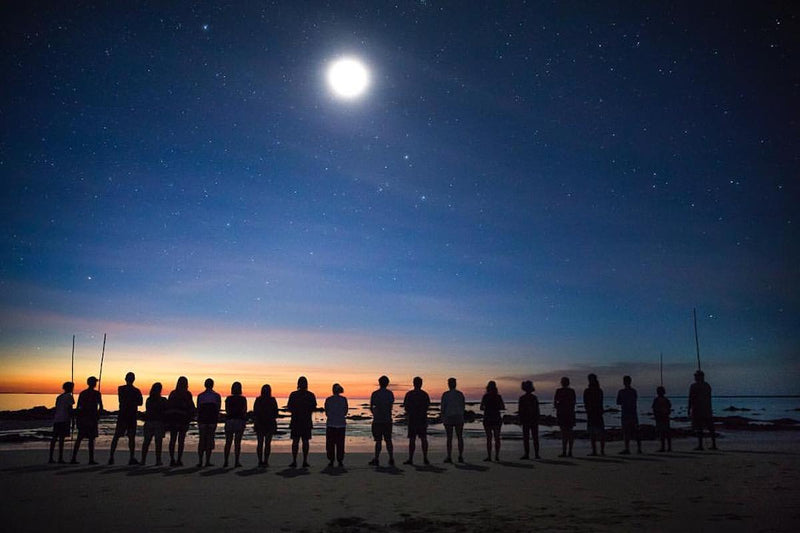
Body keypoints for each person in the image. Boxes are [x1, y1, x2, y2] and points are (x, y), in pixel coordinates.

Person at [108, 372, 143, 465]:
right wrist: (133, 402)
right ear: (133, 379)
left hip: (123, 415)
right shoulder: (136, 390)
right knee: (131, 437)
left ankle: (111, 457)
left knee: (117, 436)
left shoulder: (121, 389)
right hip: (130, 416)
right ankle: (131, 457)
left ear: (125, 379)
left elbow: (122, 400)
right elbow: (140, 402)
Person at [70, 376, 103, 464]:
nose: (96, 383)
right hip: (92, 418)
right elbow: (101, 407)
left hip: (83, 418)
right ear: (93, 383)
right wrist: (98, 415)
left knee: (79, 439)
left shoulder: (83, 393)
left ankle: (73, 458)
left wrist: (76, 418)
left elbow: (78, 407)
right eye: (95, 382)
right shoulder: (97, 394)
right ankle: (91, 460)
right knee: (91, 440)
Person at [287, 376, 317, 468]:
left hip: (296, 421)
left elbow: (289, 407)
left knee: (296, 441)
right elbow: (313, 407)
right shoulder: (310, 395)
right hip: (306, 421)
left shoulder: (293, 394)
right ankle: (304, 461)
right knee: (305, 441)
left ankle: (295, 461)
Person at [165, 376, 194, 467]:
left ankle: (172, 459)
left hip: (174, 419)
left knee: (173, 440)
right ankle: (178, 459)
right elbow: (191, 407)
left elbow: (168, 406)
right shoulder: (187, 394)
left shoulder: (173, 393)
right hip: (183, 420)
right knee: (181, 441)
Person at [403, 376, 431, 465]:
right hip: (422, 419)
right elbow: (427, 406)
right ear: (421, 384)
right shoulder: (424, 394)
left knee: (412, 439)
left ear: (413, 383)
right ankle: (425, 458)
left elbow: (406, 407)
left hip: (413, 419)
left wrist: (411, 412)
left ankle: (411, 459)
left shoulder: (409, 394)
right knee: (423, 439)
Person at [368, 375, 395, 467]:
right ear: (387, 383)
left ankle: (376, 458)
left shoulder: (375, 394)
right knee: (388, 440)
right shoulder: (390, 394)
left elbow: (371, 406)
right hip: (387, 420)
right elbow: (390, 405)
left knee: (378, 440)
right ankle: (391, 458)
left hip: (378, 420)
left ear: (379, 383)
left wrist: (375, 414)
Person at [688, 370, 717, 450]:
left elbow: (690, 398)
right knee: (708, 428)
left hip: (699, 409)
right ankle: (711, 444)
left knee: (702, 428)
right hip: (706, 409)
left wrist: (689, 408)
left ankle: (702, 445)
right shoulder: (707, 385)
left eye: (696, 376)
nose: (695, 377)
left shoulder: (694, 386)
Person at [196, 378, 221, 468]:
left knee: (202, 440)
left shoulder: (200, 395)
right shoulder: (216, 395)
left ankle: (200, 461)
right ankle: (207, 461)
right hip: (211, 420)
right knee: (210, 440)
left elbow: (198, 408)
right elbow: (218, 408)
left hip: (202, 420)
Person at [141, 382, 168, 465]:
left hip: (149, 422)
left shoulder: (149, 400)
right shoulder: (163, 400)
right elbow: (165, 412)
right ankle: (158, 460)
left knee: (146, 442)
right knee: (158, 443)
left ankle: (143, 460)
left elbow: (148, 411)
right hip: (158, 422)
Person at [441, 377, 465, 463]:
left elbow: (443, 407)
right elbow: (463, 406)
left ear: (449, 384)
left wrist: (442, 417)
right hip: (458, 416)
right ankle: (460, 456)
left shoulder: (445, 395)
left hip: (449, 417)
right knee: (459, 437)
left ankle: (449, 456)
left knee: (449, 438)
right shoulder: (460, 394)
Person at [253, 384, 278, 467]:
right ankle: (265, 461)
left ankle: (261, 461)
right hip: (268, 423)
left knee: (261, 443)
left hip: (261, 423)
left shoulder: (258, 400)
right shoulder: (272, 400)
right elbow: (276, 413)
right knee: (267, 443)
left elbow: (255, 412)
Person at [49, 381, 74, 464]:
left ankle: (51, 457)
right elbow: (70, 410)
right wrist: (73, 420)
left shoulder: (59, 396)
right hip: (64, 419)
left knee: (54, 438)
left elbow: (57, 407)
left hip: (57, 419)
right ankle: (60, 458)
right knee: (61, 439)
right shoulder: (69, 396)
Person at [223, 381, 247, 468]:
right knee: (237, 443)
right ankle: (236, 461)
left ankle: (226, 461)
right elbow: (244, 410)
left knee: (228, 442)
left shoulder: (229, 398)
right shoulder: (243, 399)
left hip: (230, 420)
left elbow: (227, 410)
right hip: (239, 421)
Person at [480, 380, 505, 462]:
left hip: (488, 418)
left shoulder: (485, 396)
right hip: (496, 418)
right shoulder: (498, 397)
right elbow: (502, 407)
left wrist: (487, 408)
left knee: (489, 438)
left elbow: (481, 407)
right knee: (497, 438)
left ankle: (489, 456)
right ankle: (496, 456)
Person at [616, 375, 642, 454]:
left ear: (624, 382)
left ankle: (627, 448)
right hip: (633, 414)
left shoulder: (621, 392)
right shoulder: (634, 391)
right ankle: (638, 448)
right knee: (635, 432)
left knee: (626, 432)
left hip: (626, 414)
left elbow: (618, 402)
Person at [324, 383, 348, 467]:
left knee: (330, 444)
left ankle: (331, 460)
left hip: (331, 424)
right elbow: (345, 412)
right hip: (341, 424)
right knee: (340, 444)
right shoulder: (344, 399)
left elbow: (326, 412)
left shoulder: (328, 399)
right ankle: (340, 460)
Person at [583, 374, 605, 456]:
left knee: (597, 433)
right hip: (594, 413)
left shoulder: (596, 390)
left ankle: (599, 451)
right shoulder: (597, 390)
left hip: (595, 413)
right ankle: (596, 451)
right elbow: (586, 402)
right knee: (595, 433)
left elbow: (586, 402)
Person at [553, 376, 576, 458]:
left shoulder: (559, 391)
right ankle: (569, 451)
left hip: (564, 414)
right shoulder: (571, 391)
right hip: (568, 413)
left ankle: (565, 451)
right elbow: (573, 403)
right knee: (569, 433)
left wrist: (559, 406)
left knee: (565, 433)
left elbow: (555, 403)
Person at [518, 380, 540, 460]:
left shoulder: (523, 398)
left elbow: (520, 410)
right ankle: (536, 454)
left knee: (527, 438)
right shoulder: (533, 398)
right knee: (534, 437)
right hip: (532, 419)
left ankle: (528, 454)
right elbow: (537, 410)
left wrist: (520, 419)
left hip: (528, 419)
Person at [652, 386, 672, 452]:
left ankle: (665, 447)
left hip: (662, 417)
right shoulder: (665, 400)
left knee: (664, 433)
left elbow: (654, 409)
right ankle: (667, 447)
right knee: (664, 433)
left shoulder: (658, 400)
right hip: (662, 417)